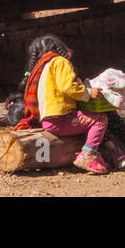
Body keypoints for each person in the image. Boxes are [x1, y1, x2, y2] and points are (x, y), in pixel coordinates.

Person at [15, 34, 111, 174]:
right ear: (59, 47)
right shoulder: (60, 61)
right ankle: (87, 155)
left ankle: (94, 155)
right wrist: (88, 93)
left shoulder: (41, 68)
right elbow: (67, 87)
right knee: (100, 119)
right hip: (60, 120)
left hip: (48, 120)